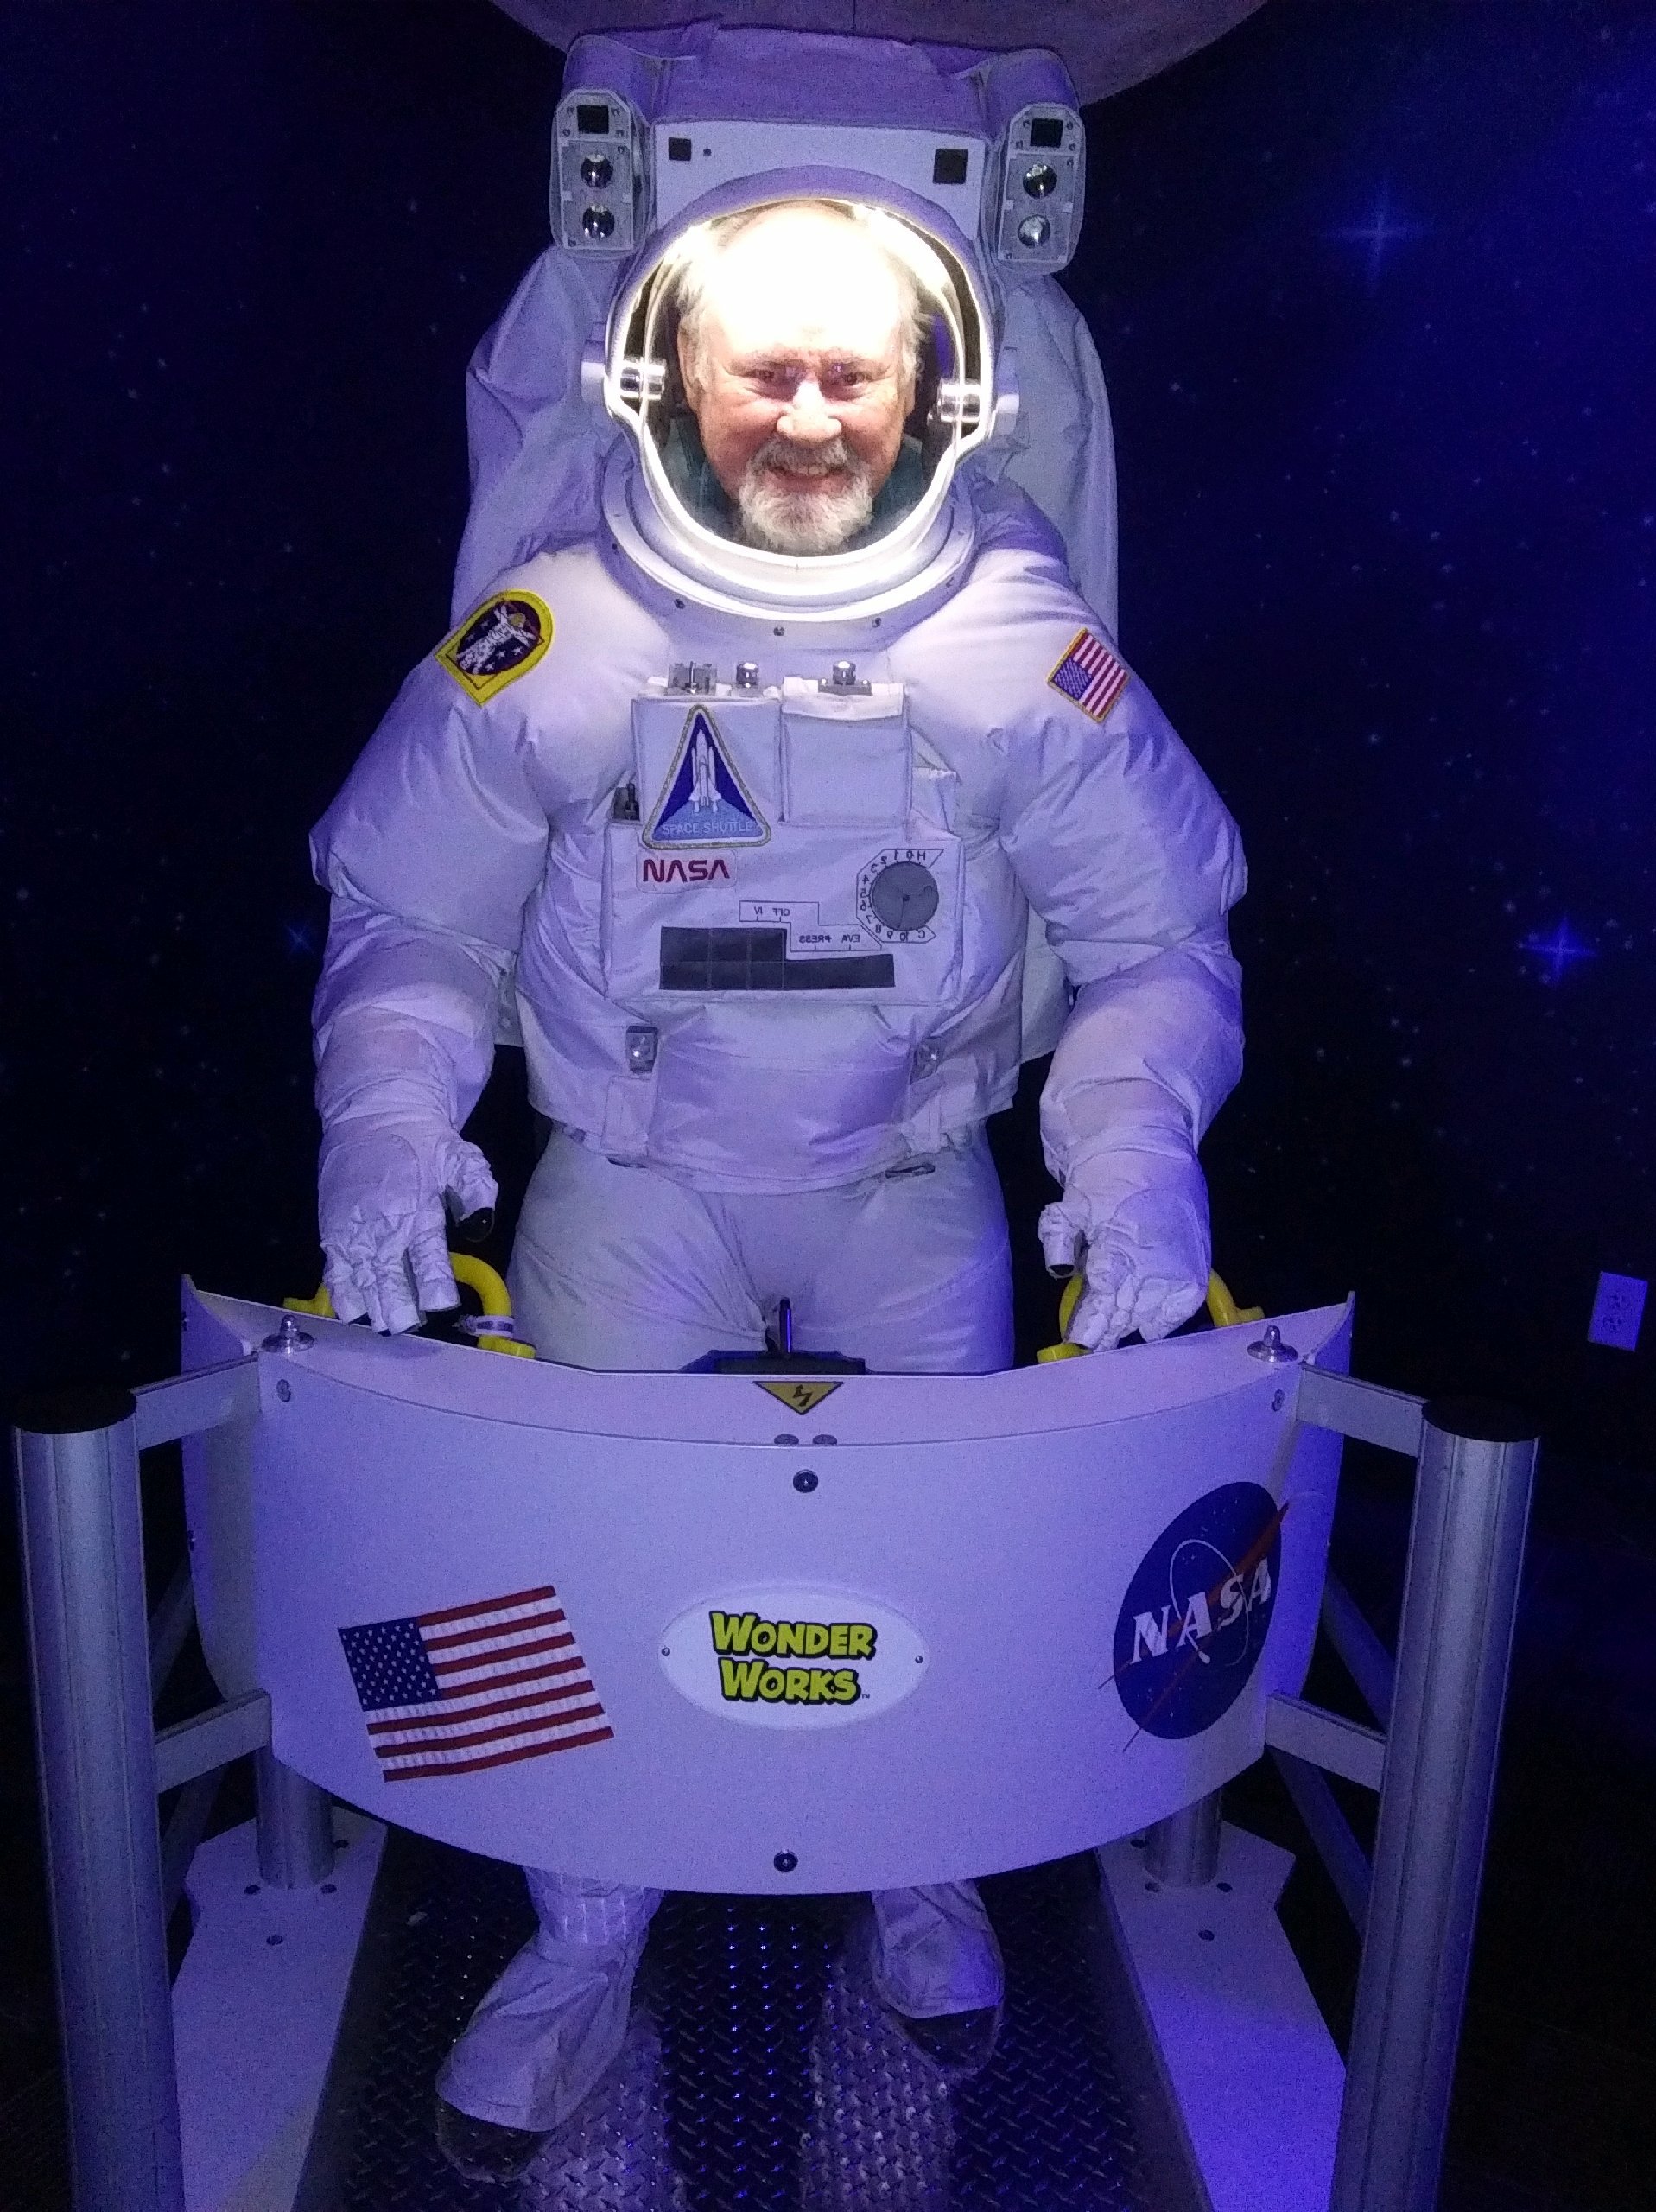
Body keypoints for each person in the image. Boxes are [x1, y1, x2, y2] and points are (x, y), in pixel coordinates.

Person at [310, 194, 1245, 2183]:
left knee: (938, 1553)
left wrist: (1134, 1146)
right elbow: (412, 919)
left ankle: (918, 1874)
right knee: (574, 1556)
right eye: (764, 373)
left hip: (906, 1173)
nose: (809, 417)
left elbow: (1163, 944)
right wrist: (385, 1118)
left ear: (934, 393)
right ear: (673, 380)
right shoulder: (560, 633)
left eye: (850, 373)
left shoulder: (1016, 645)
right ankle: (585, 1939)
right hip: (635, 1177)